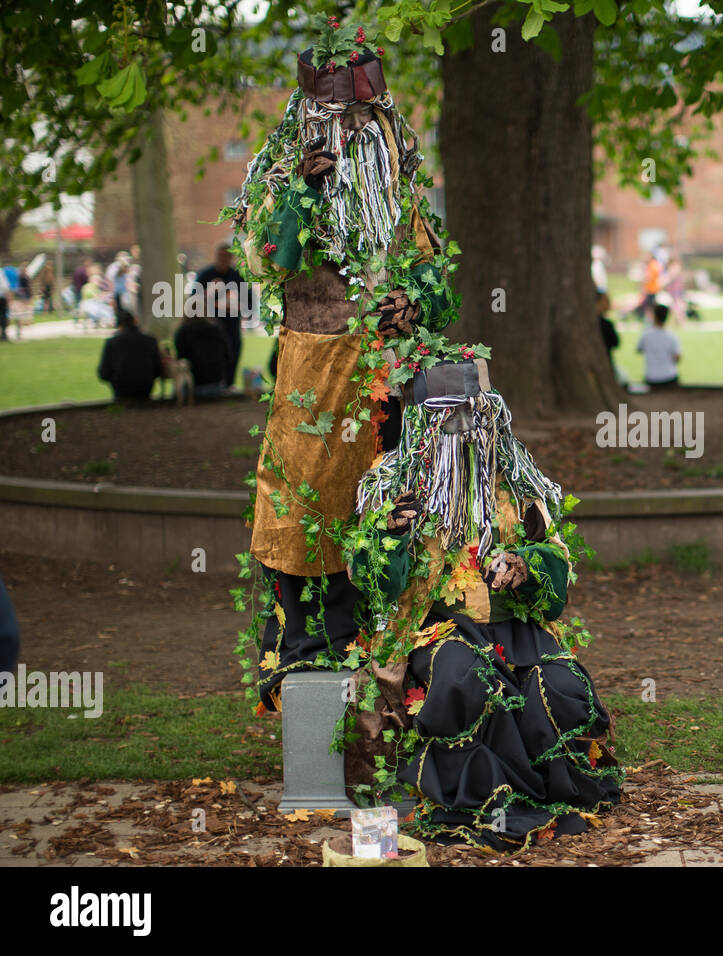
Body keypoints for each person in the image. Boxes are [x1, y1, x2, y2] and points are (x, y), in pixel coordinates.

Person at [225, 19, 619, 850]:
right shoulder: (283, 182)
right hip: (317, 383)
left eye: (365, 122)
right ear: (308, 118)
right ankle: (331, 719)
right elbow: (274, 257)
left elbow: (437, 288)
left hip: (400, 387)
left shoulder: (403, 199)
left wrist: (414, 305)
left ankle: (444, 694)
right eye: (337, 120)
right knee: (316, 530)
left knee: (420, 523)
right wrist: (300, 183)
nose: (353, 135)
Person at [195, 243, 249, 388]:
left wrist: (234, 304)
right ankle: (213, 385)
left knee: (233, 351)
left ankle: (229, 384)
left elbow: (247, 303)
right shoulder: (205, 275)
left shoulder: (237, 276)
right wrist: (210, 293)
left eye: (226, 256)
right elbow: (194, 302)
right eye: (220, 256)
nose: (223, 259)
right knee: (213, 355)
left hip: (231, 323)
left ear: (231, 257)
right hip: (210, 326)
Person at [96, 299, 162, 401]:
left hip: (121, 389)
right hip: (145, 388)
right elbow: (158, 369)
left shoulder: (112, 343)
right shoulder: (150, 340)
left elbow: (104, 373)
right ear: (135, 321)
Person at [173, 313, 232, 399]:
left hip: (193, 388)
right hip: (217, 385)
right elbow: (229, 357)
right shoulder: (217, 330)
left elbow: (181, 360)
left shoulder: (182, 332)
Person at [637, 303, 680, 387]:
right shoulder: (672, 336)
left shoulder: (645, 334)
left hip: (651, 376)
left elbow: (639, 349)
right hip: (669, 376)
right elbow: (677, 357)